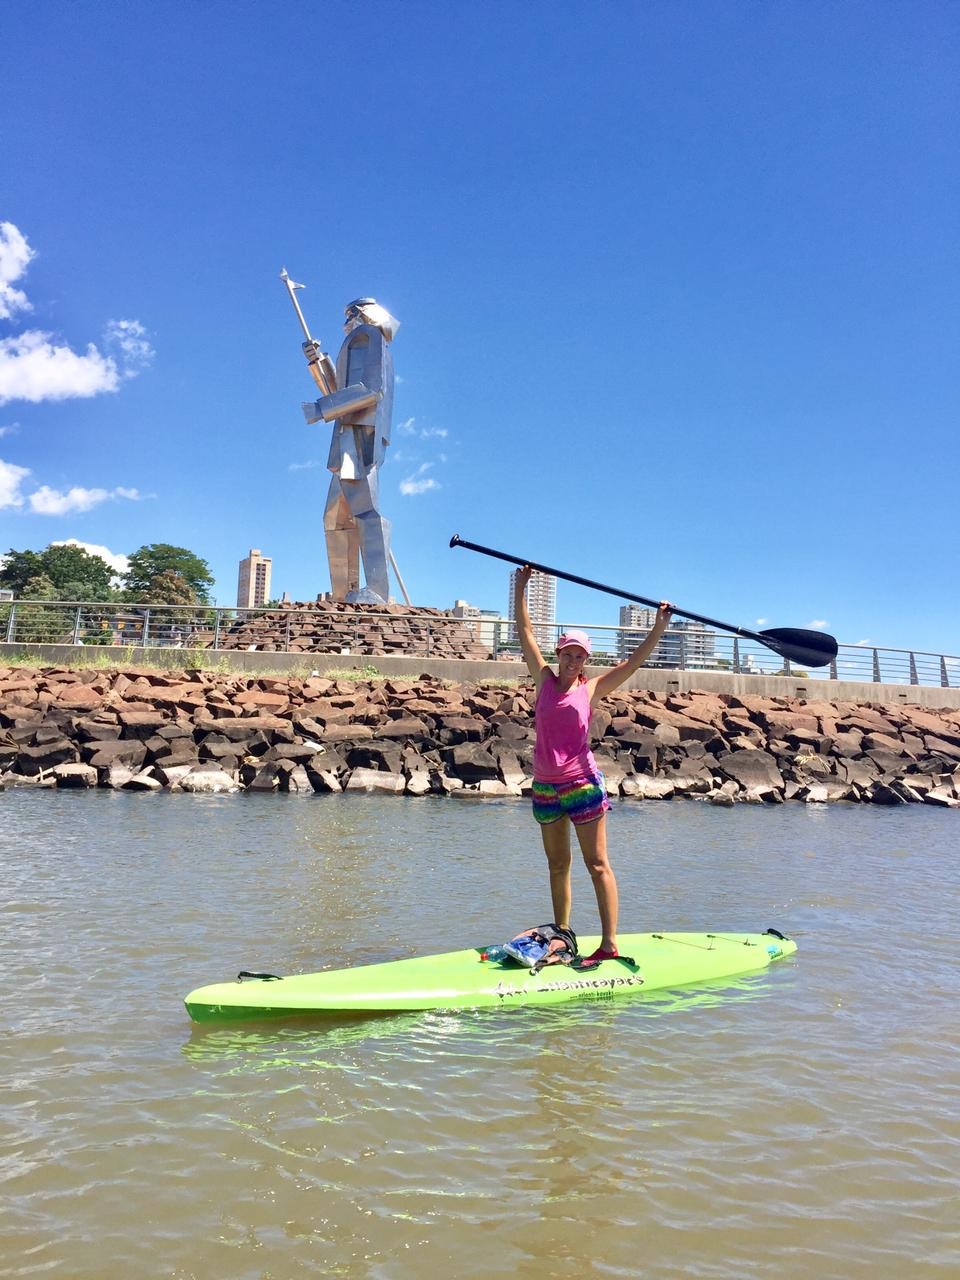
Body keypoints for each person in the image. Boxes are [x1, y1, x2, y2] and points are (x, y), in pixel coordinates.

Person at [513, 565, 673, 966]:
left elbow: (634, 663)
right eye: (568, 653)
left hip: (582, 785)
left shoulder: (592, 687)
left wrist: (658, 627)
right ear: (559, 654)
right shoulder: (544, 679)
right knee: (557, 865)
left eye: (579, 655)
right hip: (545, 788)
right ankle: (563, 936)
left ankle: (609, 943)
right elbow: (525, 632)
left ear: (585, 660)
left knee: (597, 864)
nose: (572, 660)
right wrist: (521, 587)